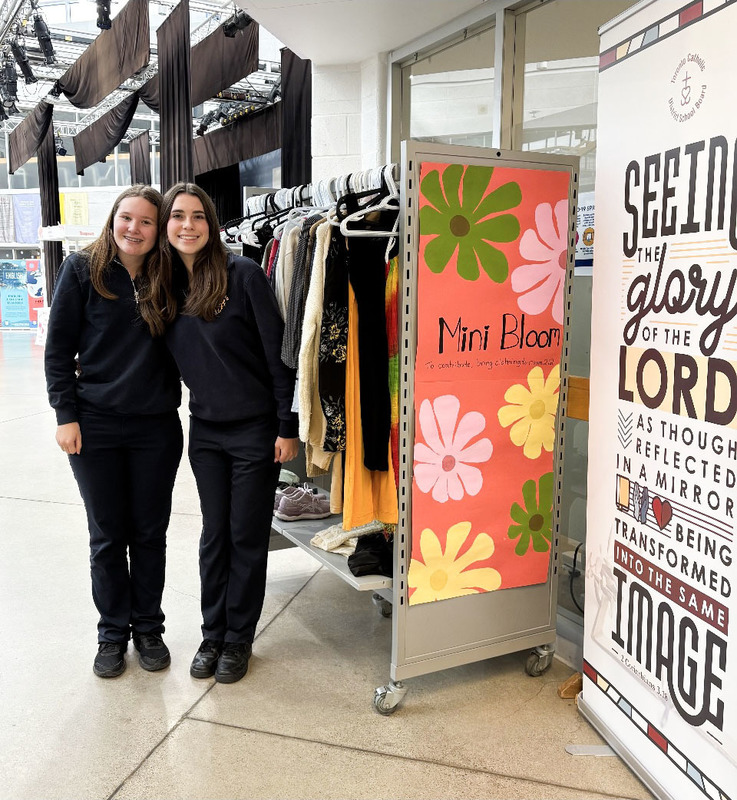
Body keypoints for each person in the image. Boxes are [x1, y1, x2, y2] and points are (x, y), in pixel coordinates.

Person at [156, 183, 298, 684]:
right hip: (206, 433)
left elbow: (278, 355)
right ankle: (211, 633)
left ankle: (238, 639)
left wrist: (288, 425)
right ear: (166, 224)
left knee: (246, 535)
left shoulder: (243, 275)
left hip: (255, 432)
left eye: (198, 216)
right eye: (177, 216)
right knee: (214, 536)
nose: (188, 225)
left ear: (212, 224)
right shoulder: (163, 285)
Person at [45, 186, 183, 679]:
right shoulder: (82, 270)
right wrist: (65, 414)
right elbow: (58, 349)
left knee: (149, 534)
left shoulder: (170, 274)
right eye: (127, 218)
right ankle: (111, 634)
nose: (135, 228)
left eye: (147, 222)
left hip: (156, 428)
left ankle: (148, 628)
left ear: (158, 229)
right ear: (113, 219)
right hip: (95, 425)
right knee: (107, 536)